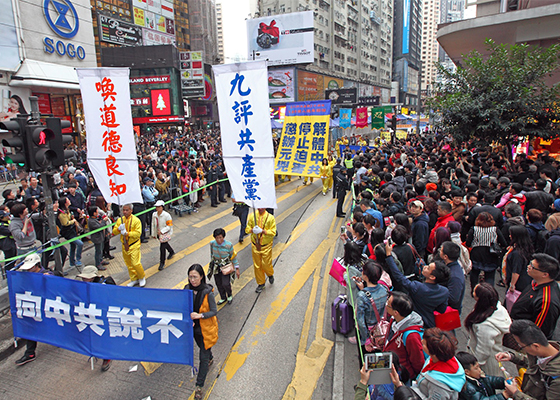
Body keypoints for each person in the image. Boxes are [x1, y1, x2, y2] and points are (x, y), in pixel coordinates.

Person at [384, 242, 450, 328]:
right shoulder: (444, 291)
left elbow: (399, 276)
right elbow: (441, 310)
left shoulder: (417, 287)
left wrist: (389, 256)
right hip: (429, 324)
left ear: (432, 277)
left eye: (428, 268)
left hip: (413, 322)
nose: (425, 267)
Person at [391, 327, 466, 399]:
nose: (421, 341)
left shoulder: (439, 385)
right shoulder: (442, 358)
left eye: (424, 344)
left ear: (433, 352)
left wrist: (404, 389)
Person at [495, 319, 560, 400]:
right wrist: (512, 357)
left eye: (521, 347)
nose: (522, 349)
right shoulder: (542, 351)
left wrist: (515, 393)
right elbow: (533, 362)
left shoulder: (557, 378)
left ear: (535, 346)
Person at [184, 264, 218, 400]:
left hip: (205, 330)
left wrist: (200, 316)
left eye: (195, 277)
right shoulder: (186, 290)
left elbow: (214, 311)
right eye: (190, 277)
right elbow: (183, 306)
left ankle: (199, 387)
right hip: (193, 329)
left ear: (201, 277)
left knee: (202, 358)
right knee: (203, 349)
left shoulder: (207, 292)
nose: (192, 280)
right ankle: (210, 357)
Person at [463, 283, 511, 377]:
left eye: (474, 292)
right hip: (494, 354)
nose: (472, 293)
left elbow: (483, 349)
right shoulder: (497, 308)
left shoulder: (485, 325)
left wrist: (475, 365)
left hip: (486, 363)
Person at [510, 253, 560, 339]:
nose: (528, 267)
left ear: (545, 275)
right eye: (530, 263)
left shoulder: (546, 300)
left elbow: (539, 332)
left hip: (523, 339)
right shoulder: (536, 282)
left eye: (532, 267)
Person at [14, 253, 52, 366]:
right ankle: (30, 353)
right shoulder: (25, 276)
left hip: (46, 308)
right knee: (30, 328)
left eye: (31, 267)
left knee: (52, 325)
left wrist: (49, 278)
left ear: (37, 265)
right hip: (32, 308)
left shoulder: (46, 275)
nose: (28, 270)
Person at [76, 265, 115, 371]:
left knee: (103, 336)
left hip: (104, 314)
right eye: (83, 277)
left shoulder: (105, 283)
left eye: (86, 277)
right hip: (91, 314)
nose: (84, 279)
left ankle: (107, 357)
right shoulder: (84, 285)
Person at [384, 291, 425, 380]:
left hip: (401, 374)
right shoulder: (396, 319)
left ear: (396, 312)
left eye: (388, 303)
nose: (386, 304)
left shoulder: (411, 336)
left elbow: (418, 361)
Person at [349, 260, 388, 347]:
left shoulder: (362, 296)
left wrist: (366, 340)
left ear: (365, 276)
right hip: (379, 327)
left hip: (368, 330)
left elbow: (360, 320)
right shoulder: (384, 289)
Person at [466, 212, 508, 290]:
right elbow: (504, 243)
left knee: (475, 273)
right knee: (490, 275)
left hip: (477, 253)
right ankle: (488, 291)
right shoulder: (495, 229)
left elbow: (468, 243)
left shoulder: (474, 229)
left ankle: (474, 290)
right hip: (491, 253)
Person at [113, 204, 146, 287]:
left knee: (135, 263)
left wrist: (127, 233)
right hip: (124, 245)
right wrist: (118, 229)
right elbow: (114, 231)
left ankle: (141, 277)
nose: (125, 212)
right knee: (129, 264)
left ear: (131, 210)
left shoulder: (136, 220)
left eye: (127, 210)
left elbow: (138, 234)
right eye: (123, 210)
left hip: (134, 244)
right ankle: (134, 278)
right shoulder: (120, 220)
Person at [246, 208, 276, 293]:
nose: (260, 208)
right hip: (255, 245)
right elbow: (247, 229)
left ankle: (270, 274)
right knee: (257, 265)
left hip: (266, 246)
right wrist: (252, 230)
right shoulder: (252, 216)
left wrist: (263, 231)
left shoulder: (270, 217)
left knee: (266, 264)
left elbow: (273, 232)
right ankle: (261, 283)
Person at [208, 228, 240, 305]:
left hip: (226, 266)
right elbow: (212, 254)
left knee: (225, 283)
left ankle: (229, 295)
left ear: (223, 237)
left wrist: (237, 269)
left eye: (220, 237)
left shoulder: (228, 245)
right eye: (217, 238)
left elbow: (233, 257)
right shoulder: (212, 244)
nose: (219, 240)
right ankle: (223, 297)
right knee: (218, 283)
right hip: (216, 266)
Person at [503, 225, 534, 294]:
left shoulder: (517, 254)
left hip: (518, 284)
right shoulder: (526, 248)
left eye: (511, 234)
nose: (509, 236)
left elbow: (516, 270)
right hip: (525, 281)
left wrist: (512, 284)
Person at [440, 241, 466, 314]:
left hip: (449, 313)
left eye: (441, 250)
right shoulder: (447, 265)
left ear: (445, 256)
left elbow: (453, 298)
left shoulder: (455, 276)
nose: (439, 251)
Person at [151, 200, 175, 270]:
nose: (157, 208)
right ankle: (171, 251)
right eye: (156, 207)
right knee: (164, 244)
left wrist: (162, 231)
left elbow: (169, 226)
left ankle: (162, 262)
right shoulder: (154, 215)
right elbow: (153, 224)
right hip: (159, 234)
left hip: (165, 233)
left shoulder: (167, 215)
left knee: (162, 248)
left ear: (162, 207)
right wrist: (154, 234)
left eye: (159, 207)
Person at [87, 207, 109, 271]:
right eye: (96, 212)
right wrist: (104, 221)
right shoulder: (91, 221)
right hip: (97, 238)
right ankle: (98, 264)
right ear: (93, 213)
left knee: (101, 249)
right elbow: (99, 227)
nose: (98, 213)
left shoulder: (95, 219)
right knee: (98, 251)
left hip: (101, 237)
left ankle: (101, 260)